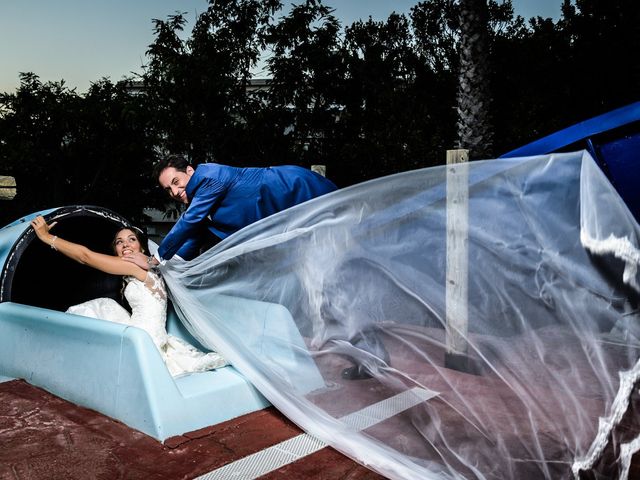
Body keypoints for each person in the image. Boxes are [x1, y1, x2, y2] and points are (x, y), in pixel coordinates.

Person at [29, 215, 227, 377]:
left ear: (141, 248)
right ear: (114, 249)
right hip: (143, 331)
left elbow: (86, 256)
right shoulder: (144, 269)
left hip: (143, 341)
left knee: (96, 308)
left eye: (131, 240)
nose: (125, 245)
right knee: (106, 305)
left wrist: (47, 237)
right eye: (119, 242)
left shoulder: (135, 266)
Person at [153, 154, 338, 261]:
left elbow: (189, 221)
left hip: (292, 189)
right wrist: (167, 266)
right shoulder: (200, 204)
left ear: (190, 171)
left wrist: (158, 257)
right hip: (282, 212)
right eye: (168, 189)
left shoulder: (208, 176)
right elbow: (192, 239)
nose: (175, 192)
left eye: (176, 182)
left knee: (340, 230)